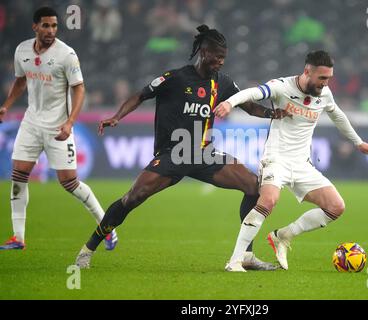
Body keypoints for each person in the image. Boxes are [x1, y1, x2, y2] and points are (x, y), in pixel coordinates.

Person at [75, 25, 288, 270]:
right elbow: (140, 95)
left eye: (223, 58)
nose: (220, 62)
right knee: (133, 198)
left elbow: (249, 107)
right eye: (216, 56)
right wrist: (117, 117)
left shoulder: (223, 83)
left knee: (253, 186)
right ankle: (88, 249)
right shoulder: (175, 78)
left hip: (203, 153)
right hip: (173, 154)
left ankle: (246, 256)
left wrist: (274, 113)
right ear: (203, 52)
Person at [215, 50, 368, 272]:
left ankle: (283, 236)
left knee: (336, 207)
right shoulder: (282, 86)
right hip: (276, 159)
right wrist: (230, 103)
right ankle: (235, 261)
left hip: (302, 164)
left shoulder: (325, 93)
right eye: (322, 78)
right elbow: (252, 93)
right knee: (268, 201)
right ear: (307, 71)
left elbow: (338, 115)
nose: (325, 83)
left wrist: (358, 143)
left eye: (329, 78)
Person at [0, 7, 118, 250]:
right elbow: (21, 81)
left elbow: (79, 88)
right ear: (35, 27)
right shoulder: (22, 50)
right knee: (19, 174)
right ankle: (18, 237)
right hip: (31, 122)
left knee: (69, 183)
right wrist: (6, 105)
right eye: (46, 25)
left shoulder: (66, 54)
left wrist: (70, 122)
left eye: (54, 26)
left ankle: (108, 228)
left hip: (58, 126)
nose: (51, 30)